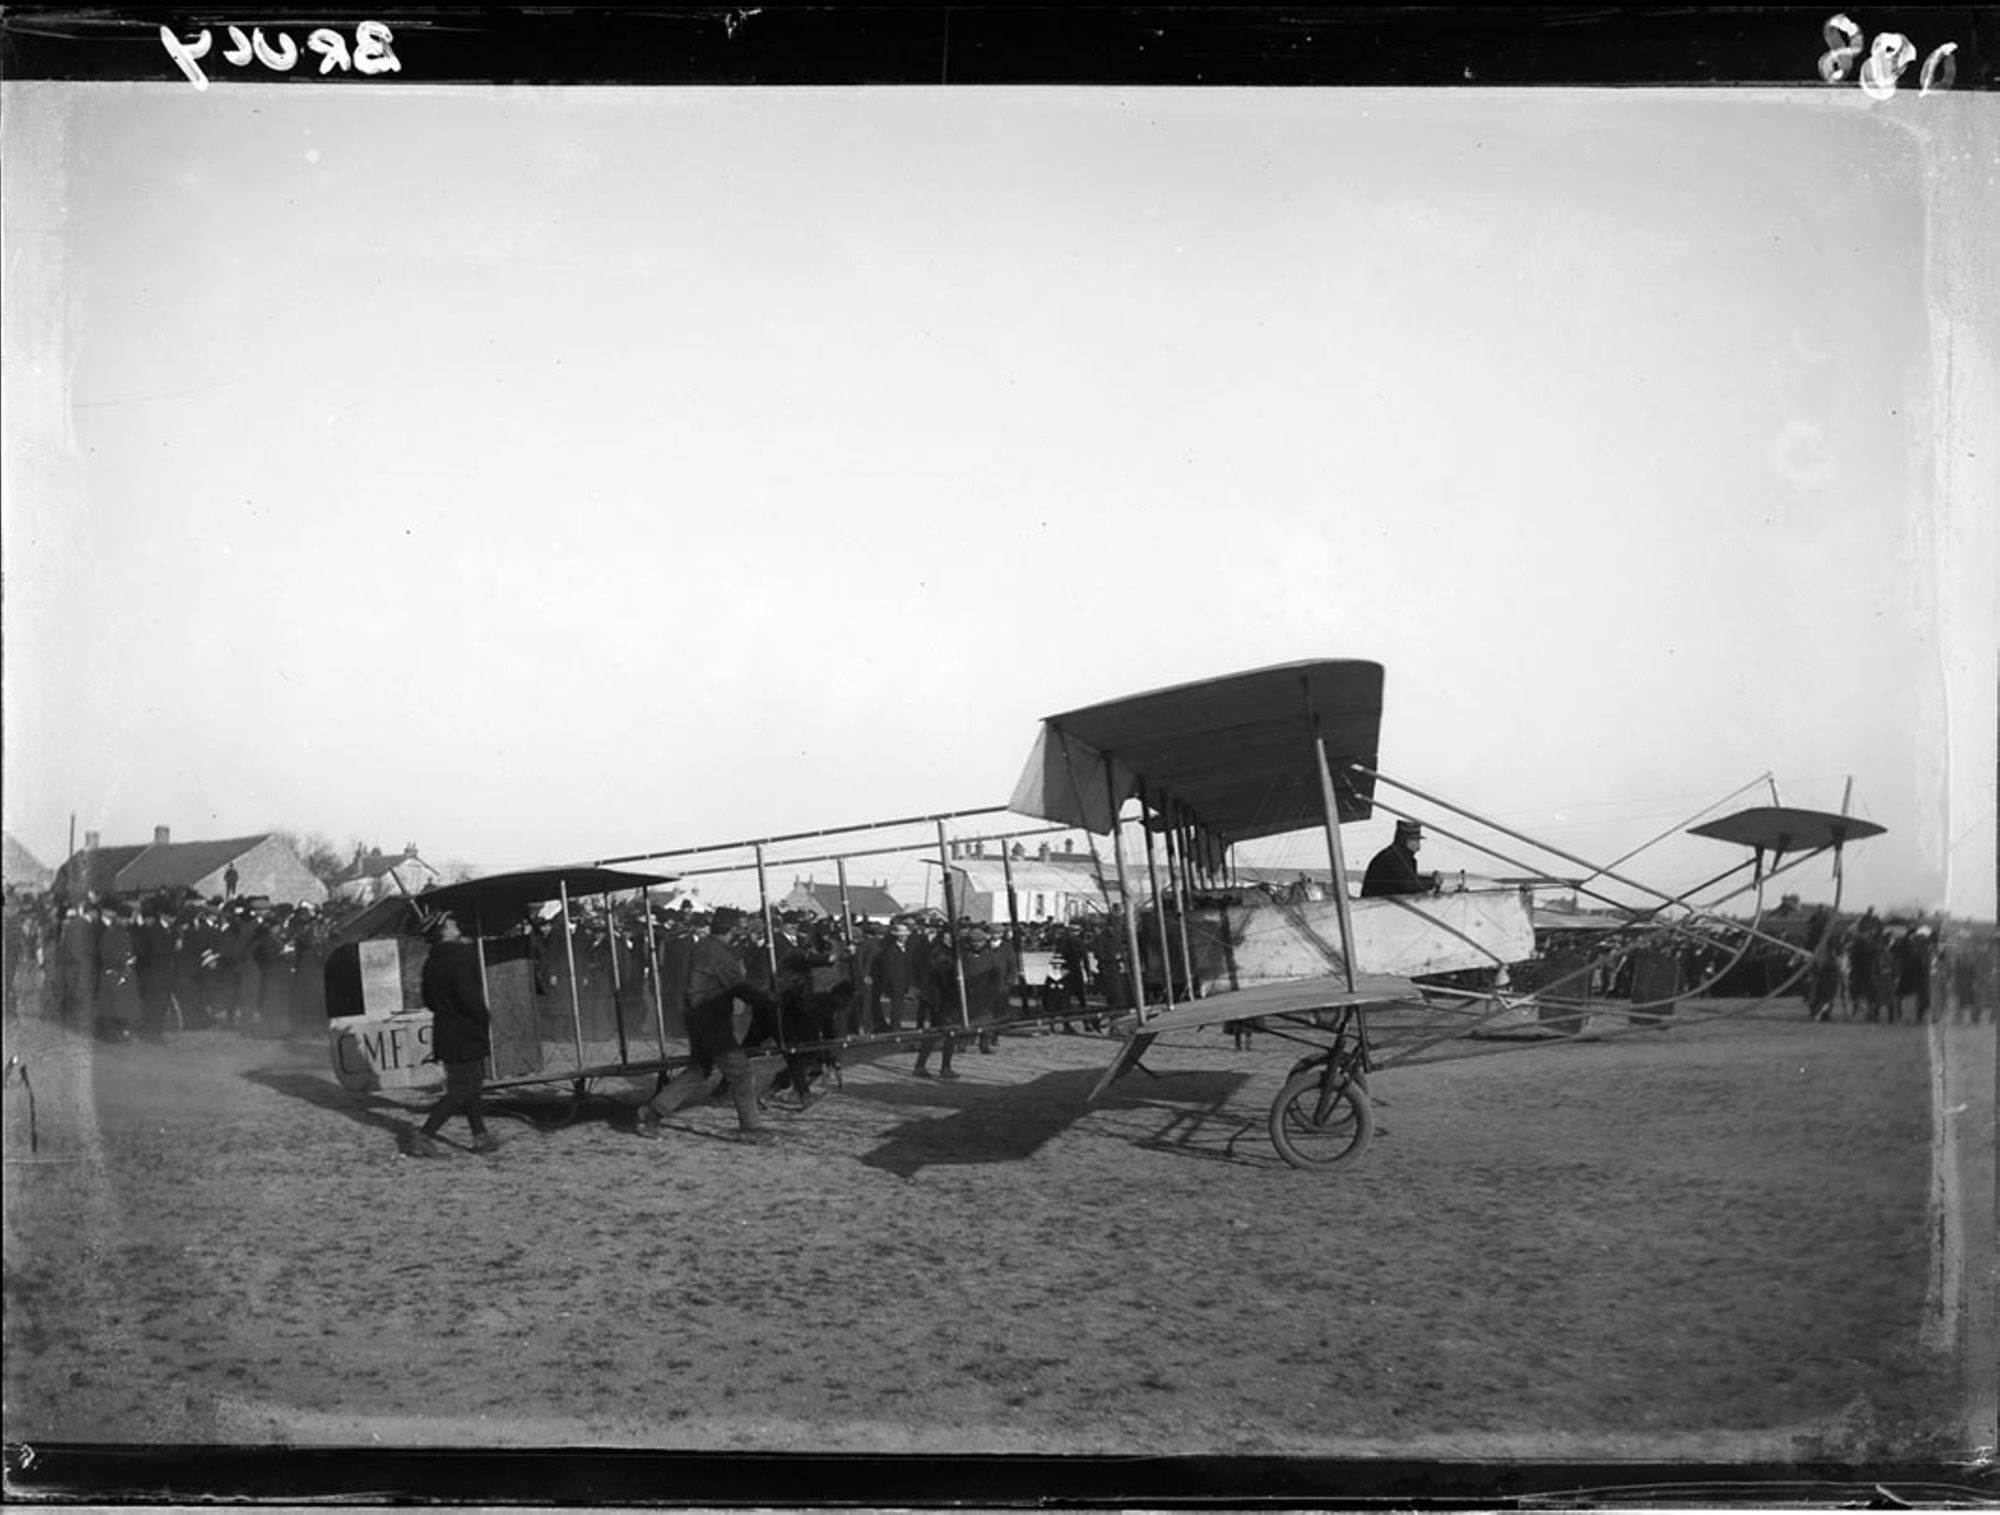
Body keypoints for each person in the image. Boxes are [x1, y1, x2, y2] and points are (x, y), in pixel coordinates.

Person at [633, 907, 776, 1142]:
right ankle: (751, 1128)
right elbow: (739, 988)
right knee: (740, 1072)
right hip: (712, 1021)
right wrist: (769, 1000)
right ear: (730, 930)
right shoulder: (720, 954)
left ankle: (652, 1112)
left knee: (699, 1070)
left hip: (696, 1018)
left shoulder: (700, 947)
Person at [408, 914, 498, 1157]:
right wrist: (483, 1018)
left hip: (445, 1030)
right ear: (444, 931)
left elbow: (429, 1000)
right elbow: (468, 996)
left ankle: (480, 1136)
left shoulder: (431, 962)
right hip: (466, 1030)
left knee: (473, 1085)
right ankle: (424, 1135)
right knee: (462, 1090)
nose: (456, 924)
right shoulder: (461, 956)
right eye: (451, 923)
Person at [1361, 820, 1441, 899]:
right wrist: (1432, 881)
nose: (1418, 843)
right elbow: (1407, 885)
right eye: (1413, 839)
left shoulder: (1399, 856)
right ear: (1403, 840)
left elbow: (1409, 879)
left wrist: (1430, 880)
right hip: (1375, 906)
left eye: (1418, 840)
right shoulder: (1393, 858)